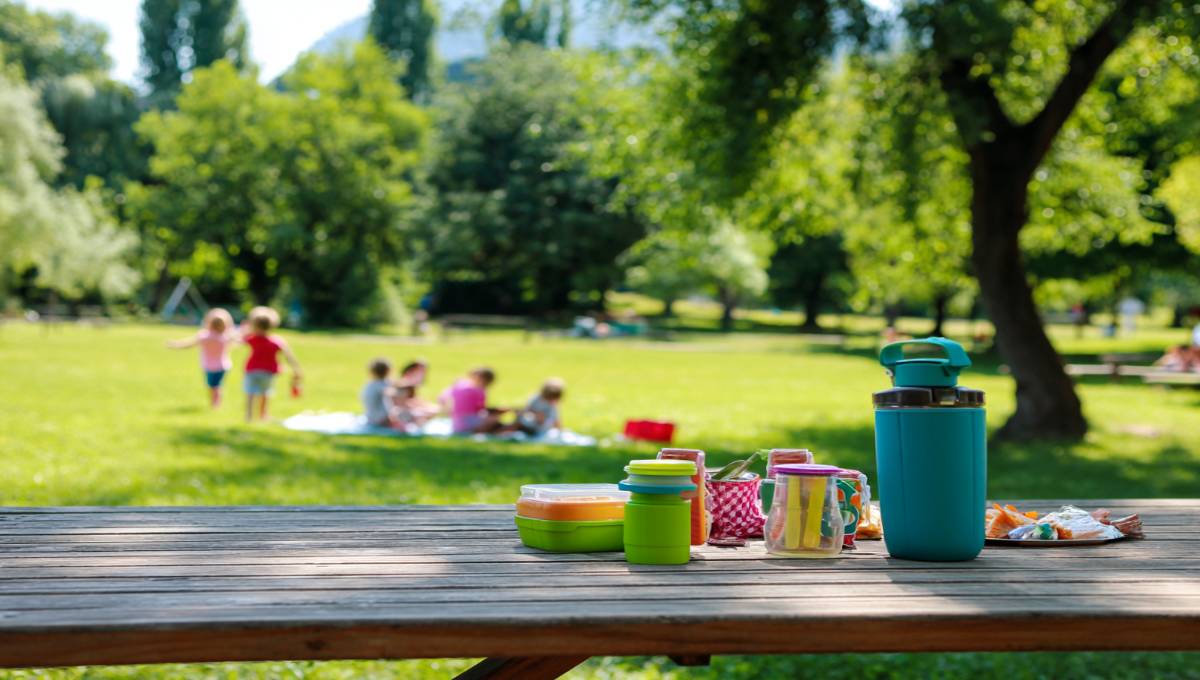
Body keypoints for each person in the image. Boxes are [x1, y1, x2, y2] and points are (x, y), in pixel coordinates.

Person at [240, 306, 302, 422]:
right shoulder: (276, 341)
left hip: (252, 370)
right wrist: (296, 369)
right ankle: (263, 415)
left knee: (250, 393)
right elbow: (288, 355)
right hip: (268, 372)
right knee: (265, 394)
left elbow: (240, 339)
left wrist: (246, 329)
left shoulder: (252, 339)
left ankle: (249, 416)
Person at [166, 308, 238, 407]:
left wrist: (175, 344)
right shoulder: (225, 337)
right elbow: (237, 339)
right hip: (223, 366)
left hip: (209, 367)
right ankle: (216, 403)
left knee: (212, 386)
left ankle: (215, 404)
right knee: (217, 385)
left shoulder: (204, 336)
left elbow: (188, 344)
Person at [439, 367, 505, 434]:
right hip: (466, 423)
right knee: (494, 419)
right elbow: (480, 409)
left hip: (455, 422)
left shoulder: (460, 385)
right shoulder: (479, 391)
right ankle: (479, 431)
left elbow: (442, 398)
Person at [361, 358, 399, 428]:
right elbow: (392, 393)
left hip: (370, 416)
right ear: (388, 371)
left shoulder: (371, 383)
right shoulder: (381, 385)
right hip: (380, 419)